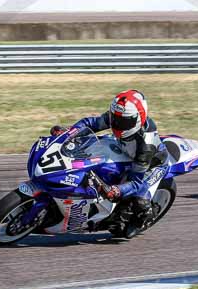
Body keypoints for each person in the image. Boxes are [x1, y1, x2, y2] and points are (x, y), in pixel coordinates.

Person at [50, 90, 167, 237]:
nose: (118, 124)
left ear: (138, 119)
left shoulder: (146, 146)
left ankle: (142, 218)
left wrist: (117, 190)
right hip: (124, 149)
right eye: (115, 118)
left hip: (151, 165)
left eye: (124, 122)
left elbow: (136, 181)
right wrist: (69, 133)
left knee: (139, 199)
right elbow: (90, 123)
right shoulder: (119, 115)